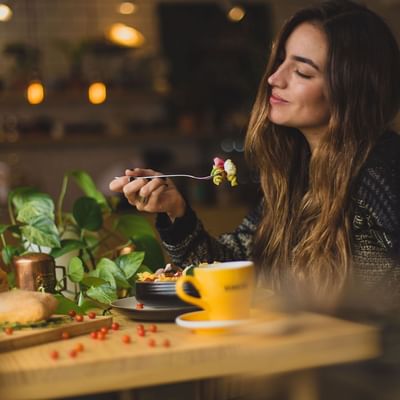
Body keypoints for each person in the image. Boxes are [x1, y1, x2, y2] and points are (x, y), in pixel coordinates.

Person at [110, 0, 400, 311]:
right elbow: (234, 267)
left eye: (302, 71)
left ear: (352, 90)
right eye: (281, 60)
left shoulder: (380, 176)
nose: (275, 78)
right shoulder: (297, 173)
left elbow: (379, 312)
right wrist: (176, 213)